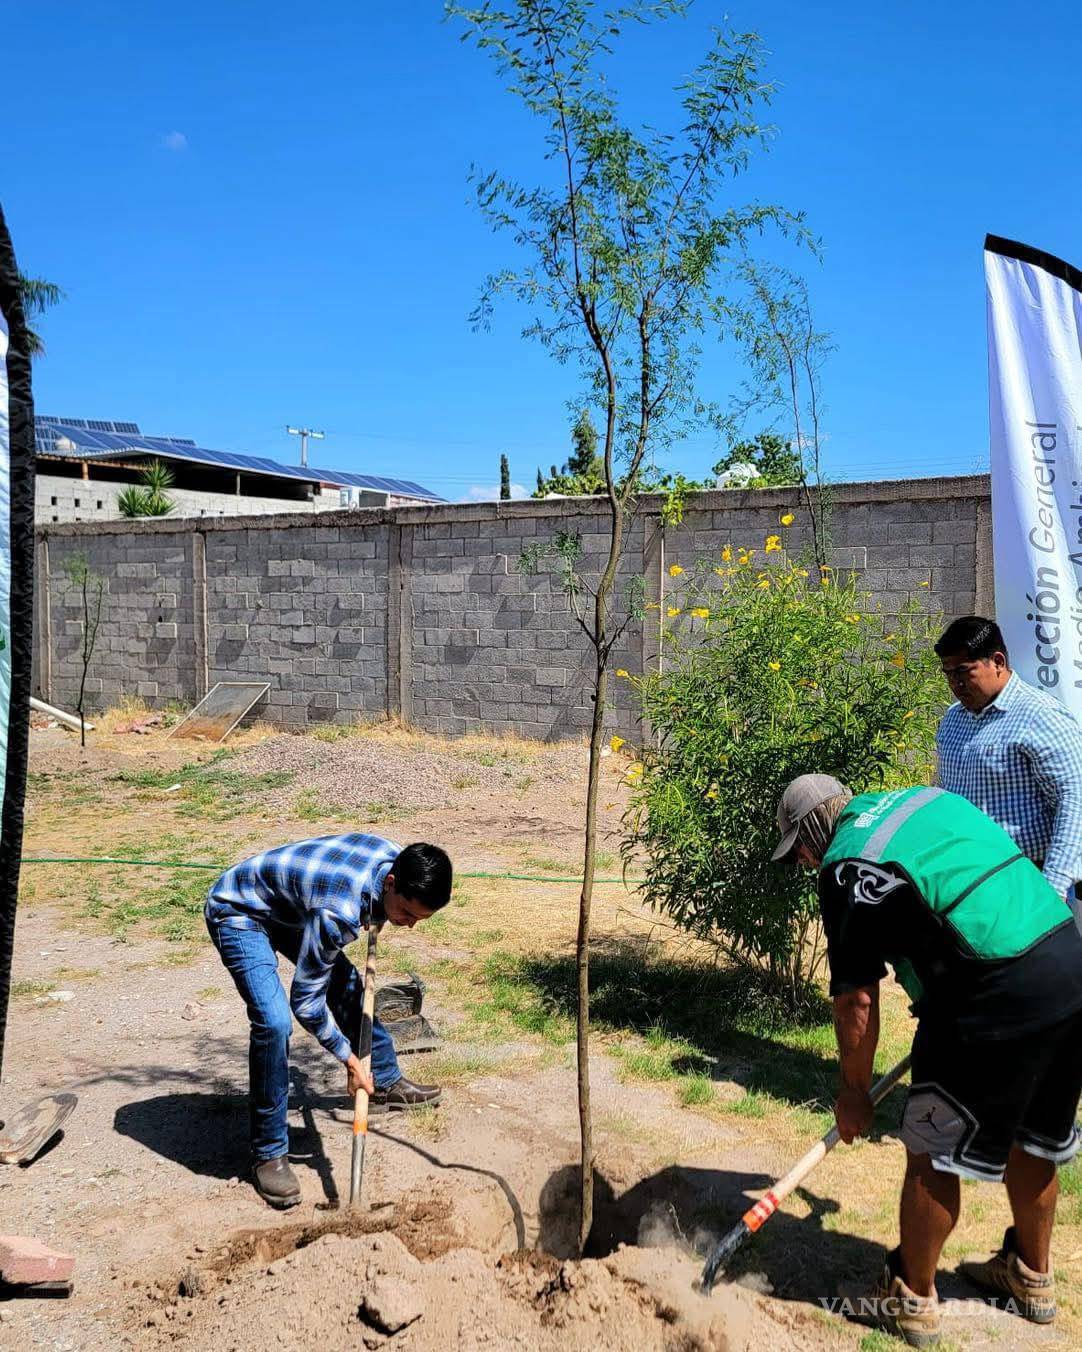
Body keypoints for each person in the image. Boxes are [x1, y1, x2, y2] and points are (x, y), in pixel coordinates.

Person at [773, 774, 1082, 1348]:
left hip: (992, 991)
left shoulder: (846, 868)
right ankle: (1031, 1277)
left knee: (931, 1149)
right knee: (1035, 1138)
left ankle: (910, 1297)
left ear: (813, 832)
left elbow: (856, 998)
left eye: (800, 853)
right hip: (1066, 964)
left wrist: (854, 1092)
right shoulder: (921, 800)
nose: (804, 865)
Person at [205, 833, 451, 1209]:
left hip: (291, 906)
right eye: (406, 914)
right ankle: (268, 1153)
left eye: (420, 919)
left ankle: (383, 1079)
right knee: (274, 1023)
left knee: (348, 987)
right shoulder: (339, 911)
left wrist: (383, 913)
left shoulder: (393, 857)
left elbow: (364, 893)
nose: (410, 926)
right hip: (239, 910)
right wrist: (349, 1060)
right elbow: (306, 1003)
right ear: (390, 883)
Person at [934, 616, 1082, 919]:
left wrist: (1051, 890)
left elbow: (1074, 805)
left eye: (963, 672)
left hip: (1027, 881)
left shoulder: (1040, 716)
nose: (955, 684)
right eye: (948, 674)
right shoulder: (953, 720)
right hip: (968, 884)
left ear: (997, 661)